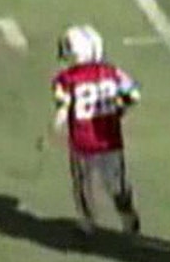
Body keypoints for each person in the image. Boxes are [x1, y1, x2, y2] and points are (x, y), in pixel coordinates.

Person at [50, 25, 141, 236]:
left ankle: (87, 223)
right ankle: (127, 215)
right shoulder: (112, 72)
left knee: (83, 184)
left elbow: (63, 105)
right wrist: (118, 107)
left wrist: (56, 126)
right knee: (116, 183)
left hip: (82, 142)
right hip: (109, 139)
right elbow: (133, 95)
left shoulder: (66, 79)